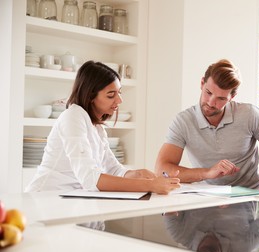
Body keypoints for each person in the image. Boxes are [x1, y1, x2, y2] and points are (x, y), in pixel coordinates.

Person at [26, 61, 180, 194]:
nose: (119, 100)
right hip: (46, 198)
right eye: (111, 95)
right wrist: (150, 185)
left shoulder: (97, 128)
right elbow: (90, 178)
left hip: (70, 200)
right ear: (90, 95)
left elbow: (114, 169)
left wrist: (139, 174)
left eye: (119, 93)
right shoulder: (72, 117)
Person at [155, 59, 259, 189]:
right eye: (208, 93)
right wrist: (207, 173)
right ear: (202, 83)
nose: (211, 102)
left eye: (221, 98)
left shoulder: (250, 115)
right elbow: (161, 169)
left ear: (232, 96)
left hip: (249, 196)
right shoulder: (183, 121)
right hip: (206, 195)